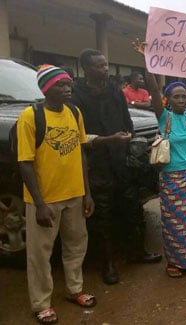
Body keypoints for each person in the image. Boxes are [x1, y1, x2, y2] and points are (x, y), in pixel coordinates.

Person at [72, 48, 161, 285]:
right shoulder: (77, 94)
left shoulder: (113, 88)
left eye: (105, 64)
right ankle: (107, 263)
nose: (104, 68)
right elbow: (80, 134)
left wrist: (128, 137)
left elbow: (125, 117)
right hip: (96, 162)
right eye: (99, 65)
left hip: (121, 158)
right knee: (102, 216)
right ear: (86, 68)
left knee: (130, 206)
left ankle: (136, 251)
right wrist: (107, 141)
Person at [18, 64, 96, 323]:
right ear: (46, 88)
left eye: (68, 84)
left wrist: (87, 192)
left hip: (74, 193)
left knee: (76, 246)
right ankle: (41, 303)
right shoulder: (31, 117)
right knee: (40, 254)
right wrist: (39, 203)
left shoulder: (75, 112)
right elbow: (25, 163)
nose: (67, 89)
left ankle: (75, 289)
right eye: (60, 85)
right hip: (45, 199)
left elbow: (81, 152)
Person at [134, 40, 186, 277]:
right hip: (171, 176)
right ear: (168, 100)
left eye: (184, 97)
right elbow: (152, 88)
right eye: (177, 97)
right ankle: (174, 262)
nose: (182, 100)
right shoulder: (164, 117)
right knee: (173, 221)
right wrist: (147, 60)